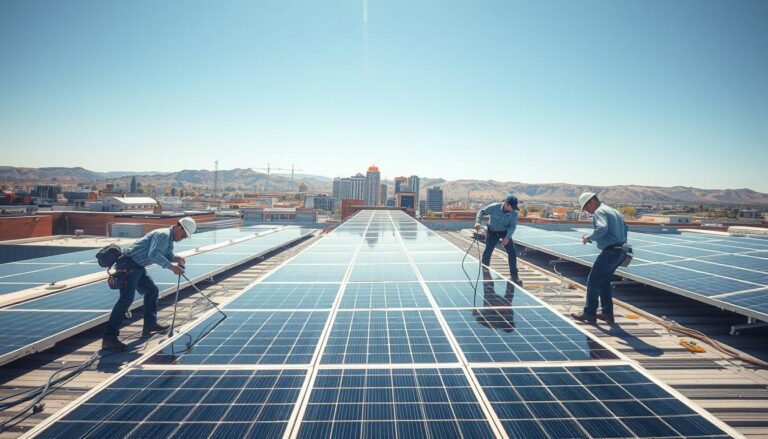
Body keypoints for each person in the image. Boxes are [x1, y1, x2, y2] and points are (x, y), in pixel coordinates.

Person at [102, 217, 196, 352]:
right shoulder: (163, 235)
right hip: (128, 265)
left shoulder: (168, 239)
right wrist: (172, 267)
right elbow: (153, 254)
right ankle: (109, 338)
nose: (184, 238)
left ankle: (150, 325)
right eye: (184, 235)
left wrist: (177, 259)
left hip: (137, 266)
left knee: (152, 291)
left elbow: (166, 254)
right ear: (179, 227)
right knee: (126, 299)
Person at [571, 192, 628, 325]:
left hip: (610, 252)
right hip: (621, 251)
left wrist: (589, 238)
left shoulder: (599, 211)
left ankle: (589, 313)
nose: (587, 211)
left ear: (592, 201)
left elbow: (602, 228)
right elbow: (626, 228)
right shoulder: (614, 211)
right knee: (604, 281)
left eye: (586, 207)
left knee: (593, 280)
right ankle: (607, 314)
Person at [474, 195, 522, 285]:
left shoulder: (514, 213)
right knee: (487, 252)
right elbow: (481, 212)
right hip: (492, 231)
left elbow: (512, 226)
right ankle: (486, 273)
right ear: (506, 203)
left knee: (512, 252)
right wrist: (478, 222)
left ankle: (514, 275)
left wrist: (507, 237)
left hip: (505, 232)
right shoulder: (494, 207)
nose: (513, 209)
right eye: (512, 207)